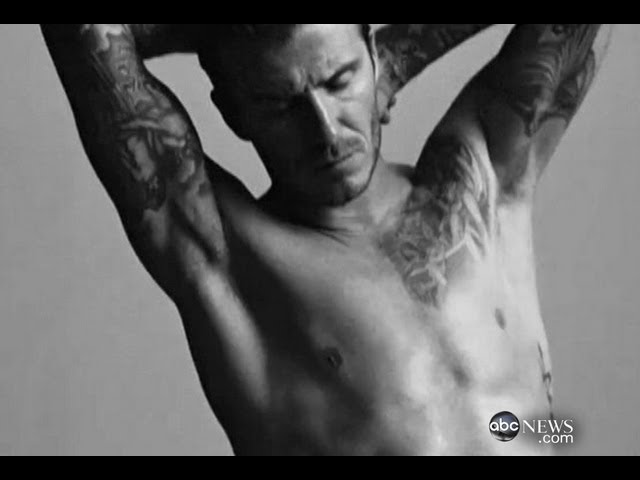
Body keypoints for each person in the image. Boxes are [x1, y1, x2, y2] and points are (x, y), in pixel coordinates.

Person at [41, 24, 612, 456]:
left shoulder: (484, 178)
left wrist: (400, 53)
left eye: (340, 80)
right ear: (234, 113)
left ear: (374, 59)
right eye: (279, 104)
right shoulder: (229, 257)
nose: (325, 129)